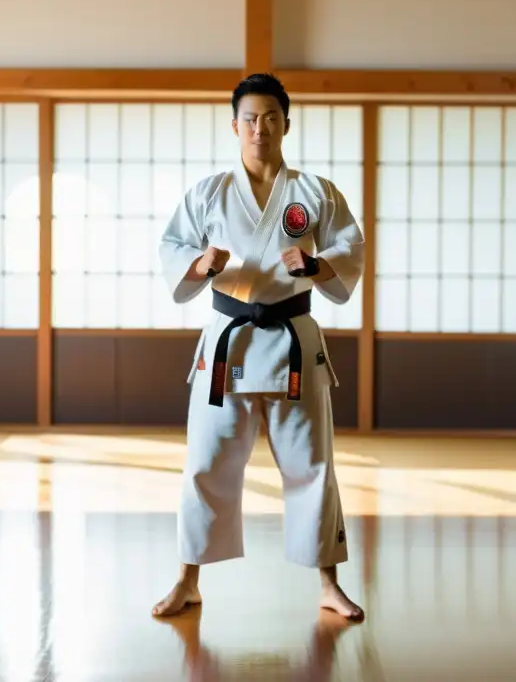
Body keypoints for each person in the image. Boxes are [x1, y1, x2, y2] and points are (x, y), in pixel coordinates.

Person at [152, 73, 365, 621]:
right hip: (228, 346)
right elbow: (173, 247)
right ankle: (187, 580)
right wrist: (201, 264)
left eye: (271, 117)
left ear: (286, 125)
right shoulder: (209, 193)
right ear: (234, 126)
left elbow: (349, 248)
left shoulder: (315, 193)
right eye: (250, 118)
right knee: (205, 463)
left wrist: (316, 266)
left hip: (294, 341)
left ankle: (328, 584)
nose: (260, 128)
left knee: (313, 466)